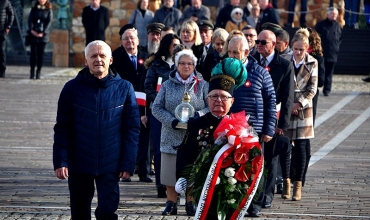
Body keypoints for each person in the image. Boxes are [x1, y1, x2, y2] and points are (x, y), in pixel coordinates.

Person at [53, 40, 141, 219]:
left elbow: (132, 129)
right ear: (86, 61)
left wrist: (128, 162)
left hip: (111, 162)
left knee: (107, 212)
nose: (98, 59)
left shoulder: (125, 88)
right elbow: (62, 127)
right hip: (79, 161)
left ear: (110, 60)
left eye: (102, 56)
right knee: (79, 212)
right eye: (93, 56)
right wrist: (61, 160)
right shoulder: (71, 88)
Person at [176, 58, 248, 220]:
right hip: (203, 185)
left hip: (231, 185)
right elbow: (185, 151)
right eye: (214, 97)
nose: (218, 101)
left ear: (232, 101)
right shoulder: (196, 124)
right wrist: (181, 176)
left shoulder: (241, 127)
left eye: (223, 97)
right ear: (207, 99)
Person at [151, 49, 209, 216]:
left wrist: (197, 117)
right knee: (169, 170)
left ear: (194, 66)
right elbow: (156, 108)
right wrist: (172, 121)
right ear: (176, 65)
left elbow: (208, 108)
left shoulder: (202, 85)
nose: (186, 66)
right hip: (171, 133)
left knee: (191, 169)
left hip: (193, 135)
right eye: (182, 63)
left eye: (189, 63)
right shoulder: (167, 85)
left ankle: (190, 202)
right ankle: (171, 202)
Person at [226, 35, 277, 217]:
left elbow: (271, 101)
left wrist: (269, 129)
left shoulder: (260, 72)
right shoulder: (224, 70)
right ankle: (234, 201)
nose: (231, 56)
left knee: (255, 167)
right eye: (229, 52)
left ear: (246, 52)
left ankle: (255, 203)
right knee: (231, 168)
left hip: (254, 129)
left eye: (236, 52)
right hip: (230, 130)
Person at [252, 29, 295, 209]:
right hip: (254, 117)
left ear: (274, 44)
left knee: (270, 158)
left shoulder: (284, 65)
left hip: (273, 117)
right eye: (257, 42)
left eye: (263, 42)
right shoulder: (252, 61)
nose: (259, 45)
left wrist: (282, 125)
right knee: (255, 157)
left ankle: (267, 195)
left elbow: (288, 97)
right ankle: (254, 194)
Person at [281, 28, 318, 201]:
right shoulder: (285, 60)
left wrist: (300, 103)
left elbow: (312, 89)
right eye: (295, 49)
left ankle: (298, 184)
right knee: (286, 147)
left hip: (304, 111)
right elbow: (281, 85)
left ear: (307, 49)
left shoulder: (313, 63)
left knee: (301, 148)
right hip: (288, 108)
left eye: (301, 50)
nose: (297, 52)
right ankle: (286, 181)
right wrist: (289, 105)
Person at [144, 33, 182, 198]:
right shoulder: (156, 64)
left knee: (178, 149)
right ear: (166, 45)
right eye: (174, 45)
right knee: (160, 150)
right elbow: (148, 86)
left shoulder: (182, 63)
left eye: (178, 45)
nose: (176, 48)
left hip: (179, 113)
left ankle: (177, 184)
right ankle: (161, 183)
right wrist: (160, 100)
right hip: (159, 113)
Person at [111, 28, 151, 183]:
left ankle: (144, 172)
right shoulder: (116, 57)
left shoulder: (146, 57)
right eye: (126, 39)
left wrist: (145, 111)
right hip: (123, 104)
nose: (130, 41)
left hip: (143, 103)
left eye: (132, 38)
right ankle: (124, 171)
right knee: (124, 139)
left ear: (138, 40)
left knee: (144, 139)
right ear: (122, 42)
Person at [315, 7, 342, 96]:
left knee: (329, 73)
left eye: (335, 14)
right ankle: (316, 87)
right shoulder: (320, 25)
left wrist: (337, 47)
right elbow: (315, 37)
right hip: (321, 53)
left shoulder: (338, 26)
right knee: (320, 71)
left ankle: (327, 89)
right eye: (332, 14)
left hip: (333, 53)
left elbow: (340, 38)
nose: (334, 15)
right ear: (327, 14)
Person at [27, 0, 53, 80]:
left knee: (40, 55)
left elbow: (49, 21)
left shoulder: (48, 9)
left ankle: (38, 72)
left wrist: (43, 32)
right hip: (33, 35)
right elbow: (30, 20)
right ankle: (32, 72)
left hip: (43, 36)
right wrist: (32, 30)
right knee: (33, 54)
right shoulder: (34, 9)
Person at [0, 0, 14, 78]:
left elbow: (11, 14)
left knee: (1, 51)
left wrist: (8, 26)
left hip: (2, 30)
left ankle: (2, 70)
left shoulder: (5, 2)